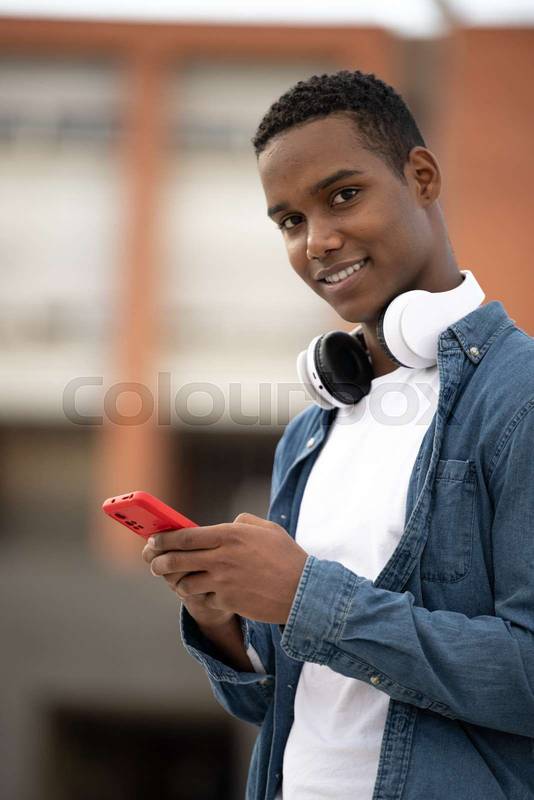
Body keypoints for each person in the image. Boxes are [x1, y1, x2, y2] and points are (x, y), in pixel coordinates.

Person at [143, 71, 534, 799]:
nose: (319, 240)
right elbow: (276, 702)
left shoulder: (519, 399)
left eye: (343, 195)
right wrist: (221, 613)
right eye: (290, 221)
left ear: (420, 177)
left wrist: (302, 596)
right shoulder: (312, 430)